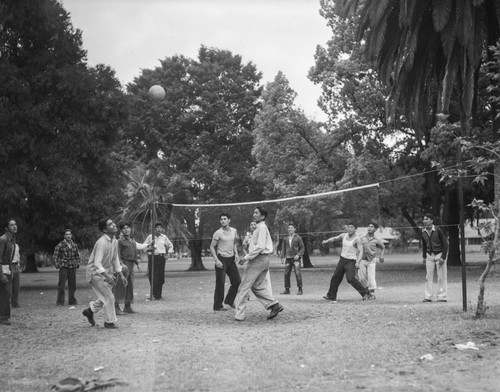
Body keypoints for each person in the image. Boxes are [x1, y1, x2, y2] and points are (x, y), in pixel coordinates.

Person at [234, 206, 283, 321]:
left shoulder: (261, 228)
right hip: (263, 260)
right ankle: (274, 305)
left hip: (258, 260)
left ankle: (239, 315)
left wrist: (246, 258)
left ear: (262, 216)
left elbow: (260, 247)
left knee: (243, 287)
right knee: (256, 286)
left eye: (256, 213)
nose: (254, 214)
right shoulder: (259, 228)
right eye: (254, 212)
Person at [82, 218, 127, 329]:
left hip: (105, 272)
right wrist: (107, 276)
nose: (114, 225)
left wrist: (121, 274)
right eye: (110, 224)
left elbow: (115, 260)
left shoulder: (115, 241)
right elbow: (97, 263)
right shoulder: (101, 242)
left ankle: (89, 311)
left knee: (105, 297)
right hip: (94, 273)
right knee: (109, 297)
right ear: (105, 230)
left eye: (113, 223)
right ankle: (109, 322)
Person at [322, 223, 373, 302]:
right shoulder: (343, 235)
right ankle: (331, 296)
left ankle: (365, 293)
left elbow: (361, 251)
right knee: (335, 278)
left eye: (351, 227)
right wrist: (327, 241)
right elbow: (335, 238)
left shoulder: (357, 239)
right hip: (342, 260)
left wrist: (358, 262)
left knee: (350, 279)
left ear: (355, 229)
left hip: (351, 261)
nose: (349, 229)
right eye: (348, 227)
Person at [210, 213, 241, 311]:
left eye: (224, 219)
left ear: (229, 220)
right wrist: (216, 260)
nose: (223, 220)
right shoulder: (218, 233)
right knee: (220, 283)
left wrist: (236, 254)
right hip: (221, 259)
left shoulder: (234, 231)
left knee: (237, 281)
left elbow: (234, 243)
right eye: (221, 219)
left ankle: (229, 300)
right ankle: (217, 306)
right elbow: (211, 247)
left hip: (231, 259)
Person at [116, 222, 147, 314]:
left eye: (128, 228)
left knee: (130, 285)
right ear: (121, 230)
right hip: (124, 265)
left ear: (130, 229)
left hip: (131, 264)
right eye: (124, 228)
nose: (126, 229)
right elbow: (117, 254)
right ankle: (116, 306)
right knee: (121, 285)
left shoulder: (132, 240)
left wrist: (137, 262)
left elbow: (134, 251)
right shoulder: (120, 241)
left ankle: (127, 306)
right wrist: (121, 264)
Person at [421, 213, 449, 302]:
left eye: (427, 219)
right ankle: (428, 297)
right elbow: (424, 245)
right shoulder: (423, 232)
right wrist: (424, 256)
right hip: (429, 255)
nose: (425, 220)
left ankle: (442, 297)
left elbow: (445, 244)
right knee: (428, 277)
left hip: (439, 254)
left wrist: (443, 257)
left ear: (432, 221)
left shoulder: (437, 230)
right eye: (424, 219)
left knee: (441, 277)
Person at [143, 222, 173, 300]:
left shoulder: (164, 237)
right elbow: (144, 247)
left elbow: (170, 245)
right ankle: (153, 294)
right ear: (154, 229)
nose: (159, 229)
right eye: (157, 227)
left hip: (161, 258)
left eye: (160, 228)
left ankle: (159, 295)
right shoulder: (150, 237)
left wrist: (168, 254)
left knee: (160, 277)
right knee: (153, 276)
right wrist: (150, 248)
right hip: (153, 258)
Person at [53, 229, 81, 306]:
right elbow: (55, 257)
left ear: (71, 235)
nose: (68, 235)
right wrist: (58, 265)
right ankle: (60, 301)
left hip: (72, 266)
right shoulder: (60, 245)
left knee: (72, 285)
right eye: (66, 234)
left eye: (69, 234)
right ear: (64, 236)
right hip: (64, 267)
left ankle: (72, 300)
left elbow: (77, 256)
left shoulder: (74, 245)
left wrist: (77, 263)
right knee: (61, 285)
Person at [359, 223, 385, 298]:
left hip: (371, 260)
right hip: (362, 260)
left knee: (371, 277)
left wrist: (381, 255)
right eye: (369, 226)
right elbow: (357, 245)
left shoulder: (377, 240)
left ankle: (372, 293)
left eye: (372, 227)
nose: (369, 228)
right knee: (362, 278)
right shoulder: (362, 238)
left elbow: (383, 247)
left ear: (375, 229)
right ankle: (367, 291)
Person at [0, 219, 17, 325]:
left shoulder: (12, 239)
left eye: (15, 224)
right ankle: (4, 317)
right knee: (5, 294)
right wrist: (1, 274)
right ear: (7, 228)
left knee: (7, 293)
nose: (14, 226)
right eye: (11, 225)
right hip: (2, 268)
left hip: (8, 268)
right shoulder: (3, 239)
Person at [280, 223, 305, 295]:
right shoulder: (285, 238)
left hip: (296, 258)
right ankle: (287, 289)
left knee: (297, 273)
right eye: (289, 228)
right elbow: (283, 249)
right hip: (288, 258)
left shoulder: (298, 238)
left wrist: (299, 255)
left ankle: (300, 289)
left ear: (294, 229)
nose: (290, 229)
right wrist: (282, 257)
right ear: (287, 230)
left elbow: (302, 247)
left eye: (291, 228)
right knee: (286, 274)